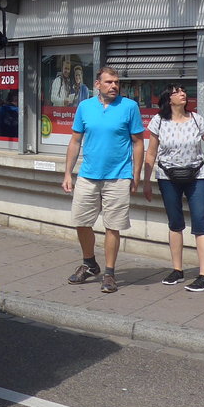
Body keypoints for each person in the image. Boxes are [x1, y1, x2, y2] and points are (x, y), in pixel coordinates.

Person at [141, 85, 204, 293]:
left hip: (196, 176)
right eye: (177, 92)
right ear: (168, 99)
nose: (183, 94)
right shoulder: (158, 121)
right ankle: (177, 270)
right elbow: (151, 153)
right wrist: (146, 182)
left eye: (183, 91)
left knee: (200, 223)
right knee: (175, 223)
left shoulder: (196, 119)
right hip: (167, 177)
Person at [62, 66, 144, 294]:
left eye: (116, 82)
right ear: (97, 84)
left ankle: (109, 273)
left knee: (113, 226)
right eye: (109, 82)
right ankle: (89, 263)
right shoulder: (85, 106)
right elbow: (75, 141)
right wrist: (68, 173)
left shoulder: (130, 107)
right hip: (88, 175)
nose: (114, 86)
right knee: (81, 221)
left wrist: (136, 174)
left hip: (118, 176)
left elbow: (138, 142)